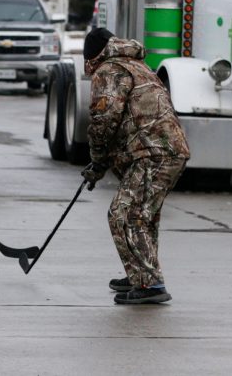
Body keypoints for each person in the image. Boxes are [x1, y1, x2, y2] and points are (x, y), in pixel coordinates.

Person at [80, 27, 190, 305]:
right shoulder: (135, 65)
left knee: (125, 214)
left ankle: (149, 284)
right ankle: (139, 273)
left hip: (153, 152)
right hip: (166, 150)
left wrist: (96, 161)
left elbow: (104, 120)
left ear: (92, 57)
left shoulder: (109, 70)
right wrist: (100, 164)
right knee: (143, 215)